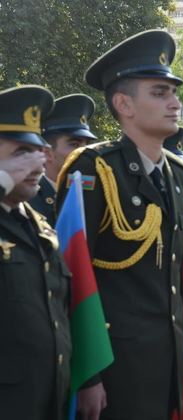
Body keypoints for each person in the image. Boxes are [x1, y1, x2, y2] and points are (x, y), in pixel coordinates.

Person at [56, 30, 183, 419]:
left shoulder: (180, 175)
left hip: (170, 364)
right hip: (115, 368)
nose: (174, 103)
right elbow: (73, 276)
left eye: (173, 92)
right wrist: (87, 375)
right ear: (123, 104)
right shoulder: (94, 170)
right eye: (159, 93)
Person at [0, 85, 72, 419]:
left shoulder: (40, 226)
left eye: (37, 152)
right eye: (19, 152)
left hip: (47, 398)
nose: (35, 163)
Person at [29, 94, 97, 224]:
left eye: (86, 145)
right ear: (47, 153)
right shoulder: (29, 199)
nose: (84, 152)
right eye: (75, 145)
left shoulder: (95, 194)